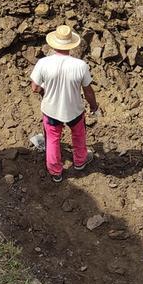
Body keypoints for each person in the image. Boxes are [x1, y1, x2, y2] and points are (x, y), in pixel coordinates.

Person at [30, 25, 100, 183]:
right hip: (74, 110)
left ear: (54, 44)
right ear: (71, 45)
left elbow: (34, 87)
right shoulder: (80, 66)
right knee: (79, 134)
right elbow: (88, 91)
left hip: (51, 110)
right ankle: (80, 161)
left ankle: (56, 172)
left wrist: (44, 92)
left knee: (53, 139)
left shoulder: (43, 63)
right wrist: (94, 106)